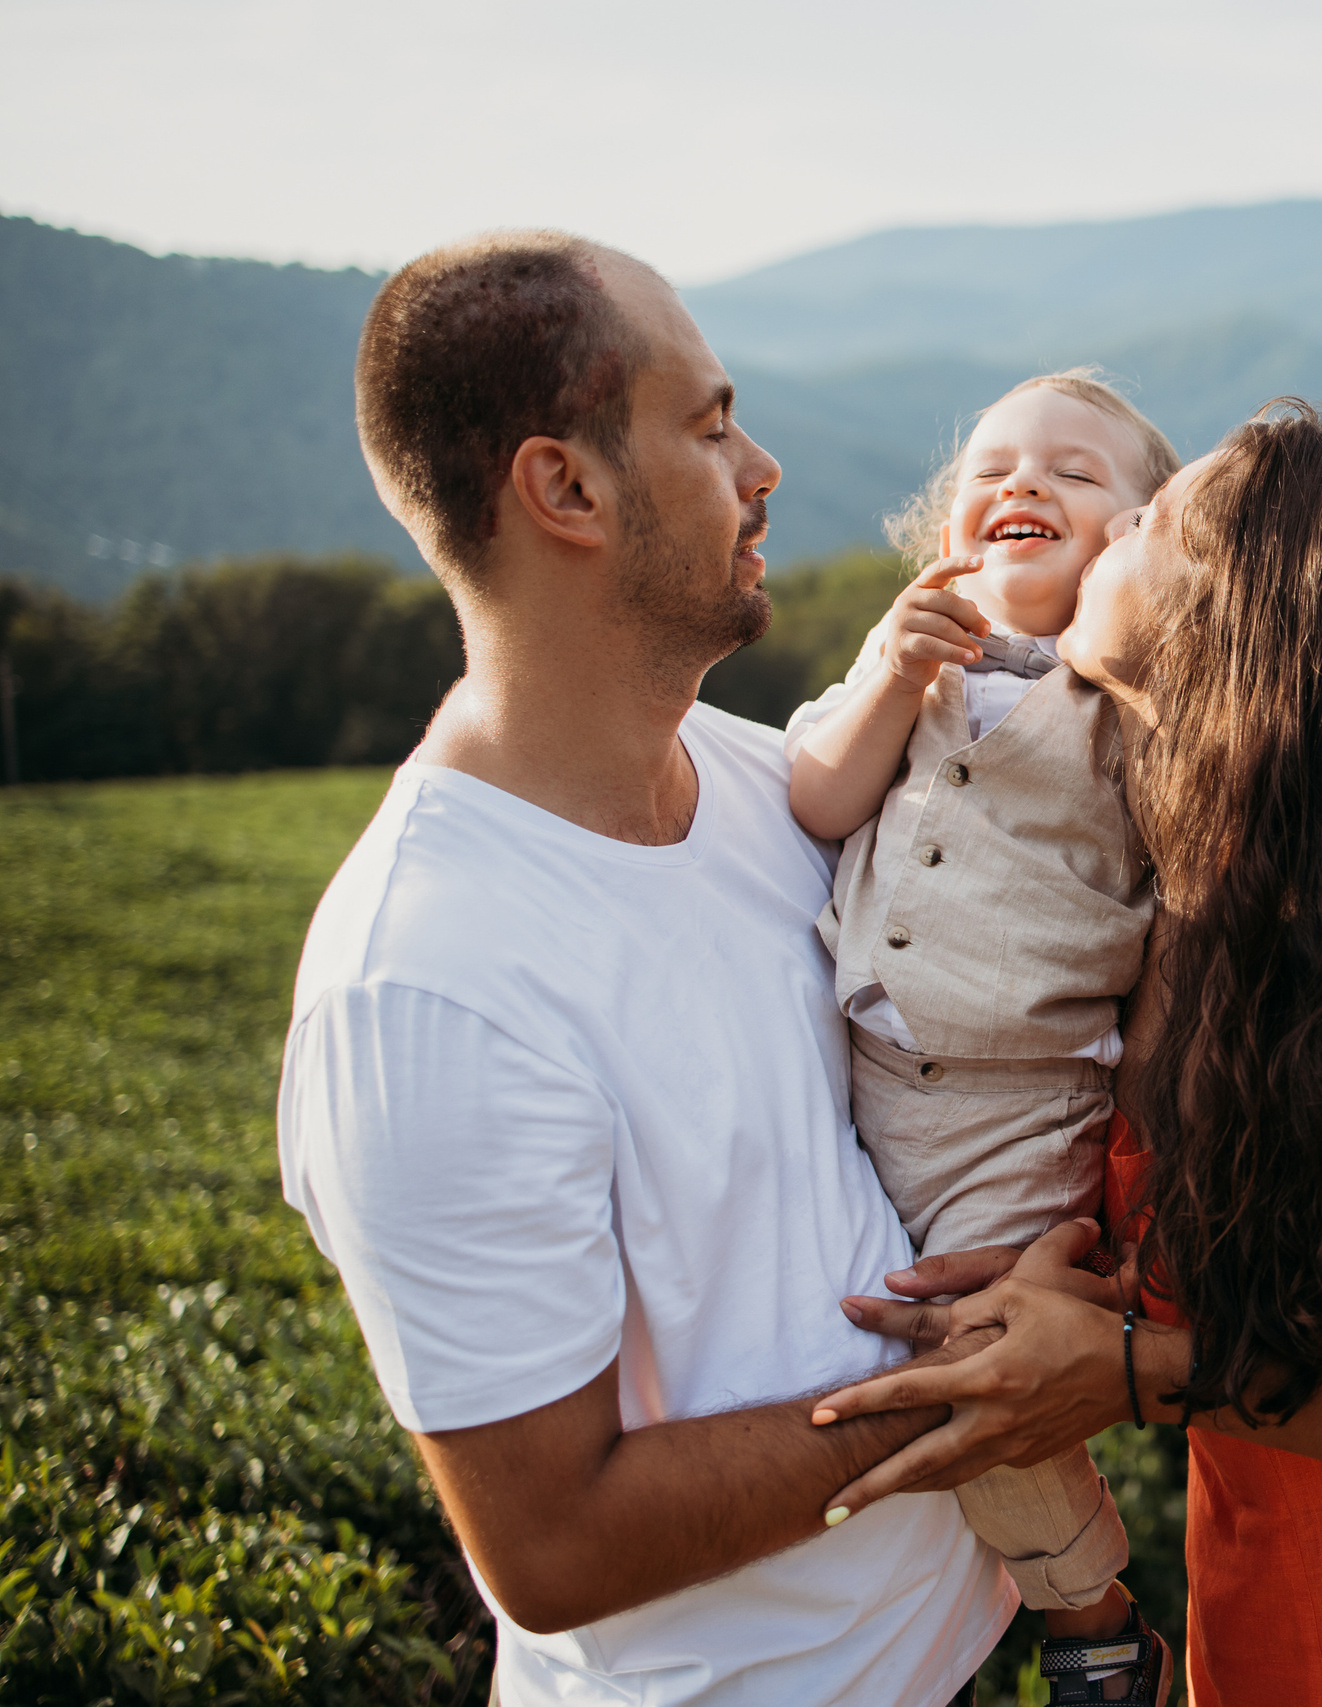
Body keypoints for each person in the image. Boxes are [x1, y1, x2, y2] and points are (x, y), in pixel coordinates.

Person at [810, 405, 1322, 1704]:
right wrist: (1057, 1286)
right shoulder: (1168, 912)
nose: (1110, 533)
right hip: (1262, 1632)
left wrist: (1132, 1372)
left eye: (1150, 522)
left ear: (1234, 623)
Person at [275, 231, 1013, 1706]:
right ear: (567, 490)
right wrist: (983, 1392)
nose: (763, 469)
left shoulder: (758, 779)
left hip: (965, 1650)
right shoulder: (422, 989)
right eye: (712, 424)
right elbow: (554, 1547)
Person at [783, 371, 1184, 1701]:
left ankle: (1094, 1625)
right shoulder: (912, 655)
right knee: (862, 1324)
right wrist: (890, 677)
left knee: (983, 1357)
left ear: (1144, 536)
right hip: (870, 1077)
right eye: (991, 469)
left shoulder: (1143, 700)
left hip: (1026, 1102)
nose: (1022, 484)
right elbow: (820, 795)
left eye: (1074, 472)